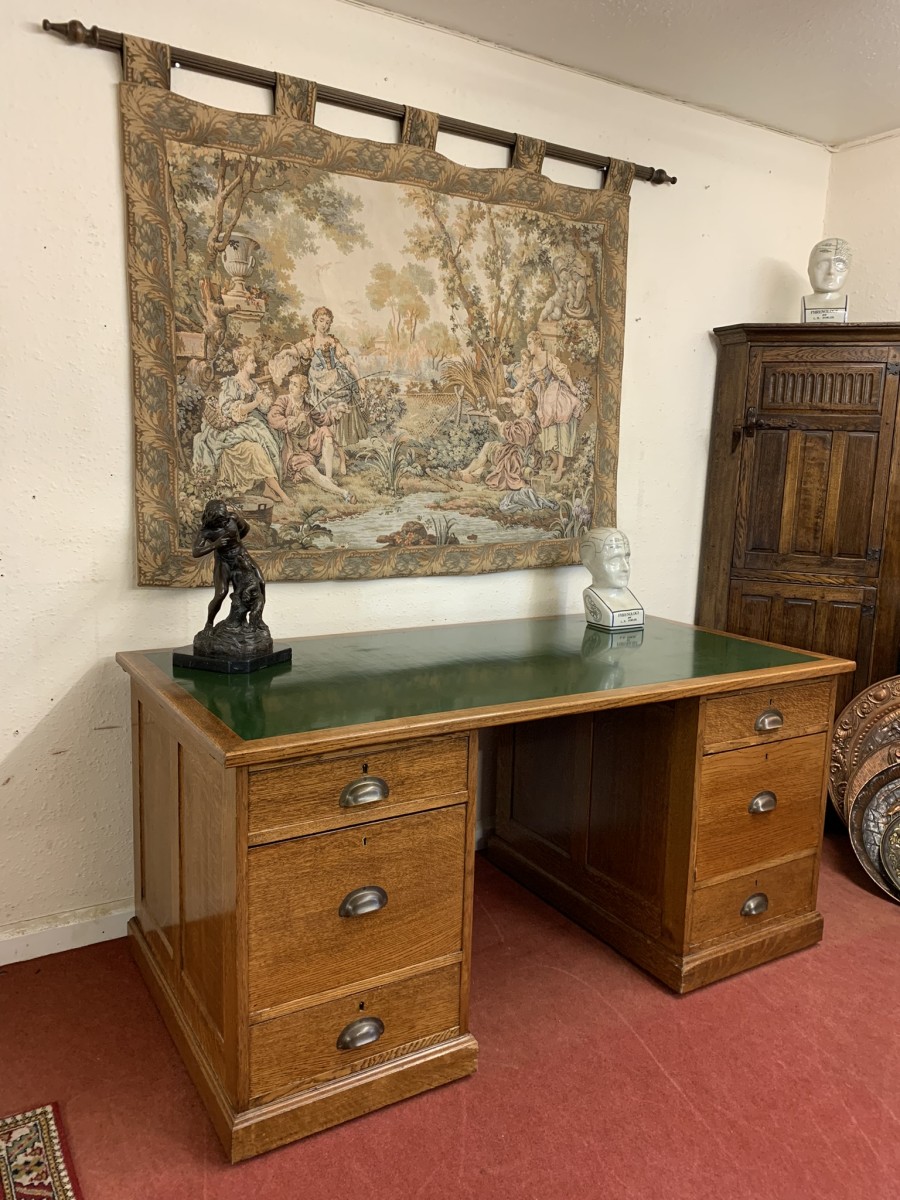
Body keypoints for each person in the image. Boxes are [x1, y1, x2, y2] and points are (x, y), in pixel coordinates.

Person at [193, 346, 289, 504]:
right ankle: (279, 492)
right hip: (233, 428)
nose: (255, 365)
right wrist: (256, 402)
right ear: (243, 364)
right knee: (258, 447)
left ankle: (268, 490)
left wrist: (265, 401)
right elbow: (230, 411)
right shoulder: (232, 383)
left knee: (275, 436)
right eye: (252, 362)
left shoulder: (252, 384)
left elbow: (261, 407)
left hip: (251, 424)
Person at [266, 373, 355, 503]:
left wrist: (337, 410)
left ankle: (328, 477)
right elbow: (272, 418)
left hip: (308, 445)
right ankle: (344, 493)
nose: (291, 387)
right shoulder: (283, 400)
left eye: (295, 385)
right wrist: (294, 421)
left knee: (325, 431)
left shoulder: (307, 406)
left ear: (303, 390)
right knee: (313, 474)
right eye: (291, 383)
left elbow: (323, 420)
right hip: (294, 452)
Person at [192, 499, 268, 636]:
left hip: (241, 555)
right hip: (224, 562)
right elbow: (196, 552)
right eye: (221, 519)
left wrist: (236, 543)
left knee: (261, 582)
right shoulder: (206, 531)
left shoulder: (232, 518)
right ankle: (209, 623)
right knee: (221, 593)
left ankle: (258, 618)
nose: (225, 520)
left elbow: (245, 529)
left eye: (225, 516)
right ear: (212, 518)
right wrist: (216, 545)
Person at [297, 307, 368, 446]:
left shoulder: (334, 342)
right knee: (321, 405)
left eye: (327, 322)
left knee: (345, 394)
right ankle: (324, 440)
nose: (324, 324)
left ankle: (340, 442)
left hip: (335, 377)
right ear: (315, 321)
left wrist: (359, 378)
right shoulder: (309, 342)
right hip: (317, 381)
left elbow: (347, 360)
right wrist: (283, 355)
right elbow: (294, 351)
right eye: (321, 320)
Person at [524, 330, 583, 482]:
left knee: (561, 429)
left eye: (530, 343)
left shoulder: (547, 357)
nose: (528, 346)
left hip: (554, 394)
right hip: (542, 396)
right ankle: (555, 460)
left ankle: (559, 469)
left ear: (537, 343)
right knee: (545, 430)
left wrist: (572, 387)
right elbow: (529, 380)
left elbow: (562, 372)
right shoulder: (532, 362)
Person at [801, 238, 853, 321]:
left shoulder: (845, 301)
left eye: (839, 265)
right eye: (822, 265)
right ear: (809, 270)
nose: (831, 271)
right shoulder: (805, 301)